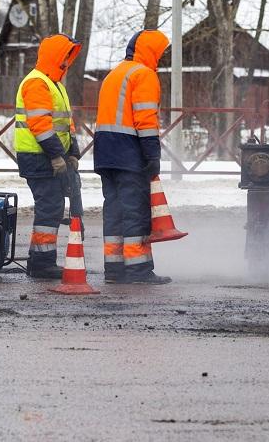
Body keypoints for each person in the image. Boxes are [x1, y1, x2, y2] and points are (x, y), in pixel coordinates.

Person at [93, 29, 172, 285]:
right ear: (151, 51)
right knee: (135, 211)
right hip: (129, 152)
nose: (161, 58)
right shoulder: (143, 74)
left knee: (114, 211)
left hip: (106, 153)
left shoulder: (115, 74)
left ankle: (114, 270)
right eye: (161, 53)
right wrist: (153, 154)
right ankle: (138, 270)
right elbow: (146, 119)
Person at [13, 33, 83, 280]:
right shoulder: (37, 83)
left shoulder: (54, 84)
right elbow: (40, 125)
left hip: (48, 155)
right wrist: (57, 155)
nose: (67, 62)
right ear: (56, 57)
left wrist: (72, 152)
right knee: (50, 207)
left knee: (51, 207)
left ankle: (39, 260)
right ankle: (42, 264)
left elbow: (67, 125)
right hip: (38, 156)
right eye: (65, 57)